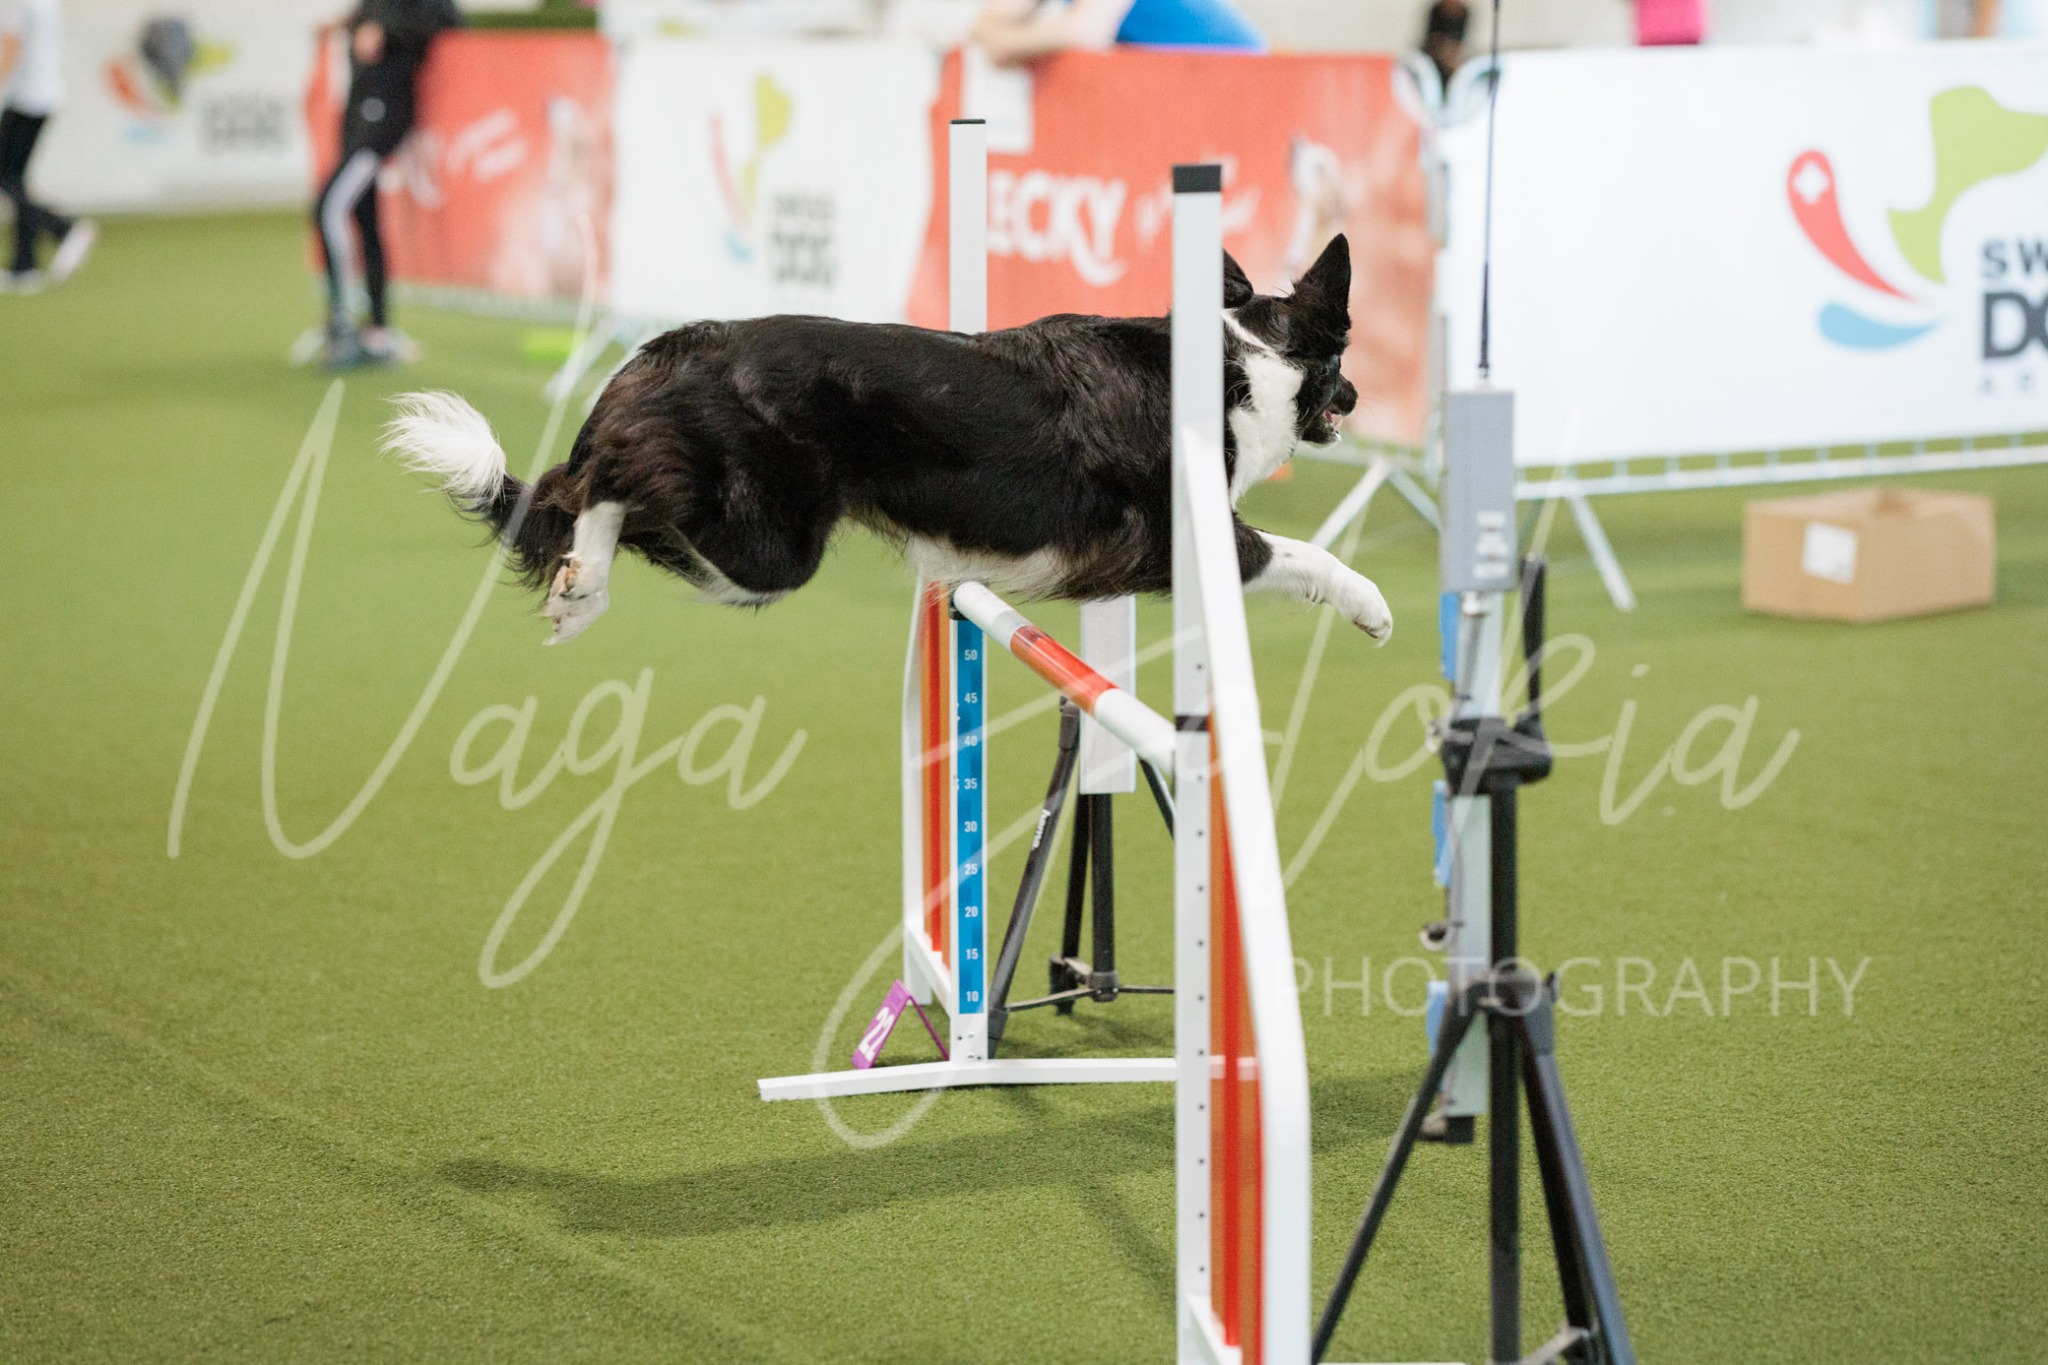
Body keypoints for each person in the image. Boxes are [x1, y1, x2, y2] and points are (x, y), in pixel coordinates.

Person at [313, 0, 461, 367]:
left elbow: (449, 20)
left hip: (383, 114)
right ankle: (377, 331)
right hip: (359, 112)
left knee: (329, 208)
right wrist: (347, 24)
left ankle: (344, 326)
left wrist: (387, 33)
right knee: (364, 219)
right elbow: (369, 15)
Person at [0, 0, 94, 294]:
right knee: (15, 179)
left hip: (26, 99)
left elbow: (11, 47)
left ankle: (62, 227)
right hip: (41, 96)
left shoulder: (18, 4)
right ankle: (24, 265)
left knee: (7, 178)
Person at [970, 0, 1264, 66]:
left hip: (1241, 75)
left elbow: (1086, 32)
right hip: (1175, 75)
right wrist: (1003, 42)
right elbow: (986, 25)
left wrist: (1007, 42)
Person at [1422, 0, 1469, 92]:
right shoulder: (1436, 10)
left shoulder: (1464, 12)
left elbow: (1463, 40)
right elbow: (1432, 40)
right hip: (1435, 56)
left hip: (1453, 57)